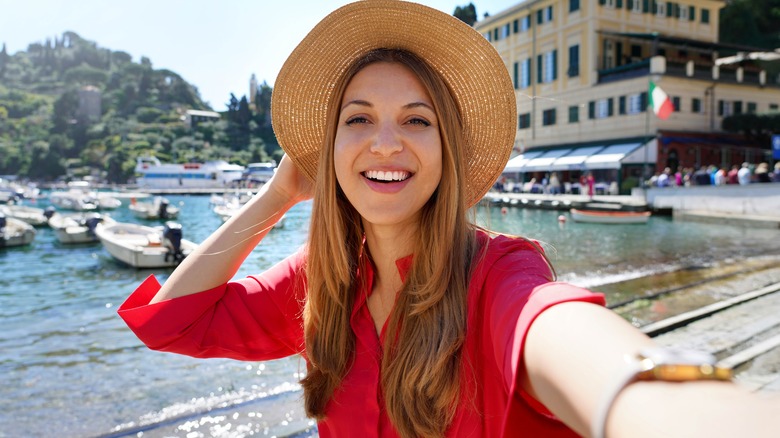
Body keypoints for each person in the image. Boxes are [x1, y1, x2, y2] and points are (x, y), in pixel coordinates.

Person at [117, 2, 779, 437]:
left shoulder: (498, 275)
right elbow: (175, 322)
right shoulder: (323, 281)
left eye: (416, 120)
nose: (383, 143)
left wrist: (665, 400)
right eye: (357, 119)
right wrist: (278, 195)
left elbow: (559, 331)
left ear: (447, 153)